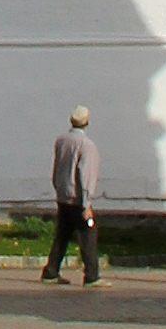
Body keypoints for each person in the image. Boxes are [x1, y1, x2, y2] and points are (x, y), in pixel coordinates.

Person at [42, 107, 101, 285]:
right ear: (87, 122)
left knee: (63, 233)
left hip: (63, 197)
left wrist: (58, 188)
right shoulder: (86, 145)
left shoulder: (61, 141)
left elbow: (57, 168)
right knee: (88, 232)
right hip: (78, 198)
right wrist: (87, 203)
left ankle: (51, 270)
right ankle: (92, 275)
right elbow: (86, 175)